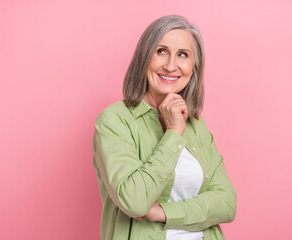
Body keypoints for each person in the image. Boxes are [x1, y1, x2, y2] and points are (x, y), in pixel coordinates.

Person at [93, 15, 237, 240]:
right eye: (161, 51)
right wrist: (172, 132)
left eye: (183, 55)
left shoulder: (197, 125)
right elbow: (135, 201)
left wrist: (163, 213)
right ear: (144, 58)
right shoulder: (114, 121)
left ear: (193, 67)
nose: (171, 66)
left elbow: (227, 203)